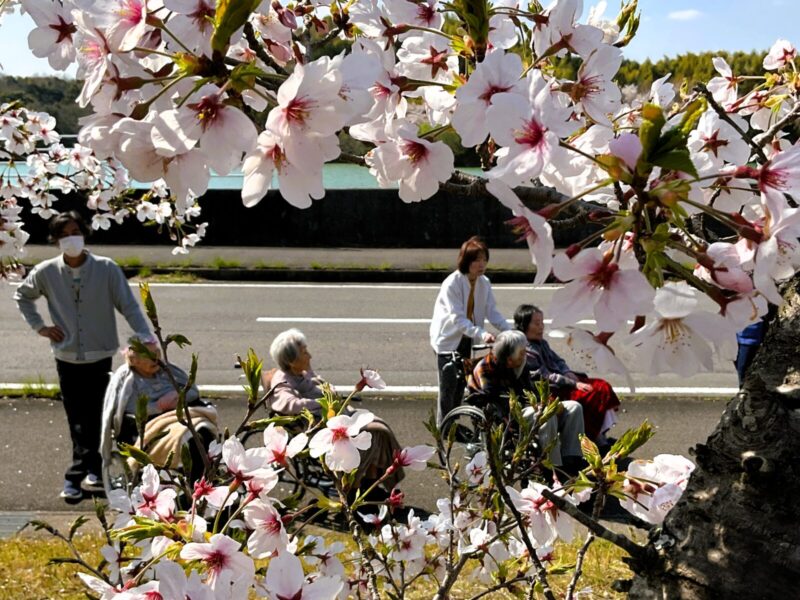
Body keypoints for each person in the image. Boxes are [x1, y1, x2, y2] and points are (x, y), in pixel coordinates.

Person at [13, 211, 152, 503]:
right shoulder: (47, 272)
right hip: (66, 357)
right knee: (77, 418)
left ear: (85, 233)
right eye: (63, 234)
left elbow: (129, 306)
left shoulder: (106, 269)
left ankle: (89, 469)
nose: (70, 239)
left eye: (75, 231)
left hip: (100, 355)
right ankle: (81, 472)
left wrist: (147, 338)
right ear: (55, 240)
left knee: (102, 415)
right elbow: (23, 295)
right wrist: (41, 327)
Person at [265, 328, 404, 491]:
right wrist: (322, 403)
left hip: (336, 417)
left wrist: (315, 377)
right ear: (291, 361)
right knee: (376, 432)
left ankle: (371, 477)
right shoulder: (282, 380)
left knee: (381, 427)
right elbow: (288, 404)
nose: (309, 356)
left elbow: (321, 384)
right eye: (304, 352)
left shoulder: (300, 372)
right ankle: (355, 483)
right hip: (320, 426)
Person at [100, 338, 218, 490]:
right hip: (152, 424)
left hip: (180, 414)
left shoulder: (168, 371)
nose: (155, 358)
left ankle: (206, 479)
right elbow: (128, 408)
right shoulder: (129, 381)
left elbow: (193, 391)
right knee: (192, 440)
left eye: (157, 353)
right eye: (149, 355)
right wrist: (158, 406)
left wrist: (177, 396)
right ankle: (198, 487)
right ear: (134, 360)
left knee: (203, 433)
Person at [468, 330, 585, 473]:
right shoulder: (485, 369)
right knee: (546, 416)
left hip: (525, 405)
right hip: (506, 414)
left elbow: (529, 387)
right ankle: (551, 466)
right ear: (509, 359)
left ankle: (571, 458)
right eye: (522, 353)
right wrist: (538, 407)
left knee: (574, 407)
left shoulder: (520, 363)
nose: (525, 355)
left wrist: (543, 402)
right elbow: (493, 401)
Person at [430, 236, 510, 426]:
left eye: (484, 260)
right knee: (448, 388)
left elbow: (492, 311)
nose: (481, 265)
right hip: (448, 341)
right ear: (466, 261)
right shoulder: (453, 283)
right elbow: (457, 319)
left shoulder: (484, 282)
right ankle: (444, 429)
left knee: (460, 387)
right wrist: (483, 334)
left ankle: (453, 426)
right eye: (476, 260)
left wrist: (509, 331)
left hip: (467, 339)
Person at [514, 304, 620, 446]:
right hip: (550, 390)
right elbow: (544, 376)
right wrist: (574, 383)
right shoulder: (526, 350)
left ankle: (599, 434)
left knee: (601, 386)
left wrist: (567, 372)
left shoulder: (541, 343)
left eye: (542, 323)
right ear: (524, 325)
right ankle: (594, 438)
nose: (541, 327)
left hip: (563, 381)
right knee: (592, 392)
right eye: (537, 323)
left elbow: (558, 360)